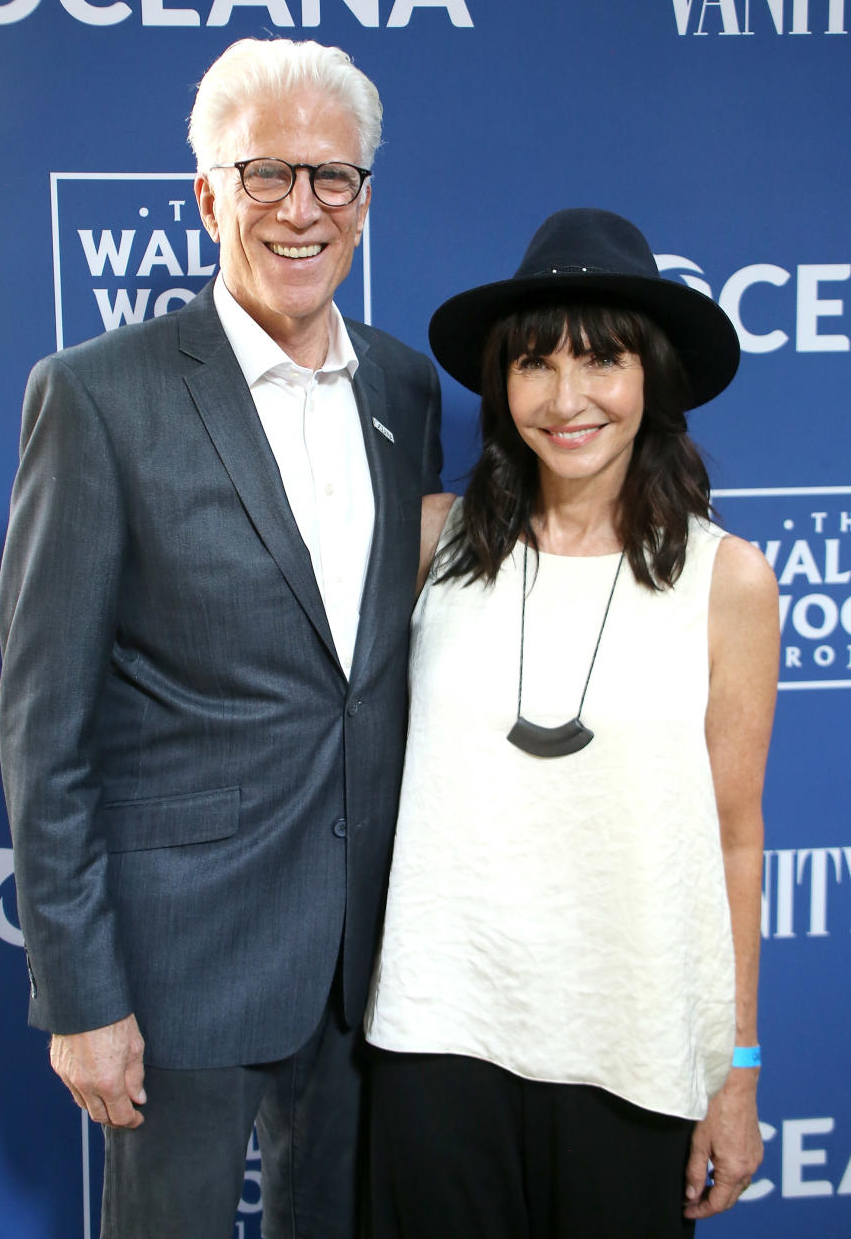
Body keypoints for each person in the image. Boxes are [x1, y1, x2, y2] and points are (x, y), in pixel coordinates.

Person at [0, 37, 442, 1239]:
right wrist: (82, 998)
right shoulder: (99, 395)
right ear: (207, 195)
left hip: (371, 960)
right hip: (177, 965)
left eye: (333, 177)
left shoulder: (406, 391)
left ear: (365, 199)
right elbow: (46, 728)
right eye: (267, 175)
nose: (303, 210)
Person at [364, 208, 778, 1238]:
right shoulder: (429, 543)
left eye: (602, 362)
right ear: (501, 387)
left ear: (654, 382)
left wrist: (739, 1073)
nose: (568, 398)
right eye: (536, 365)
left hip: (632, 1053)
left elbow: (735, 836)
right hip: (437, 1042)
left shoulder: (727, 579)